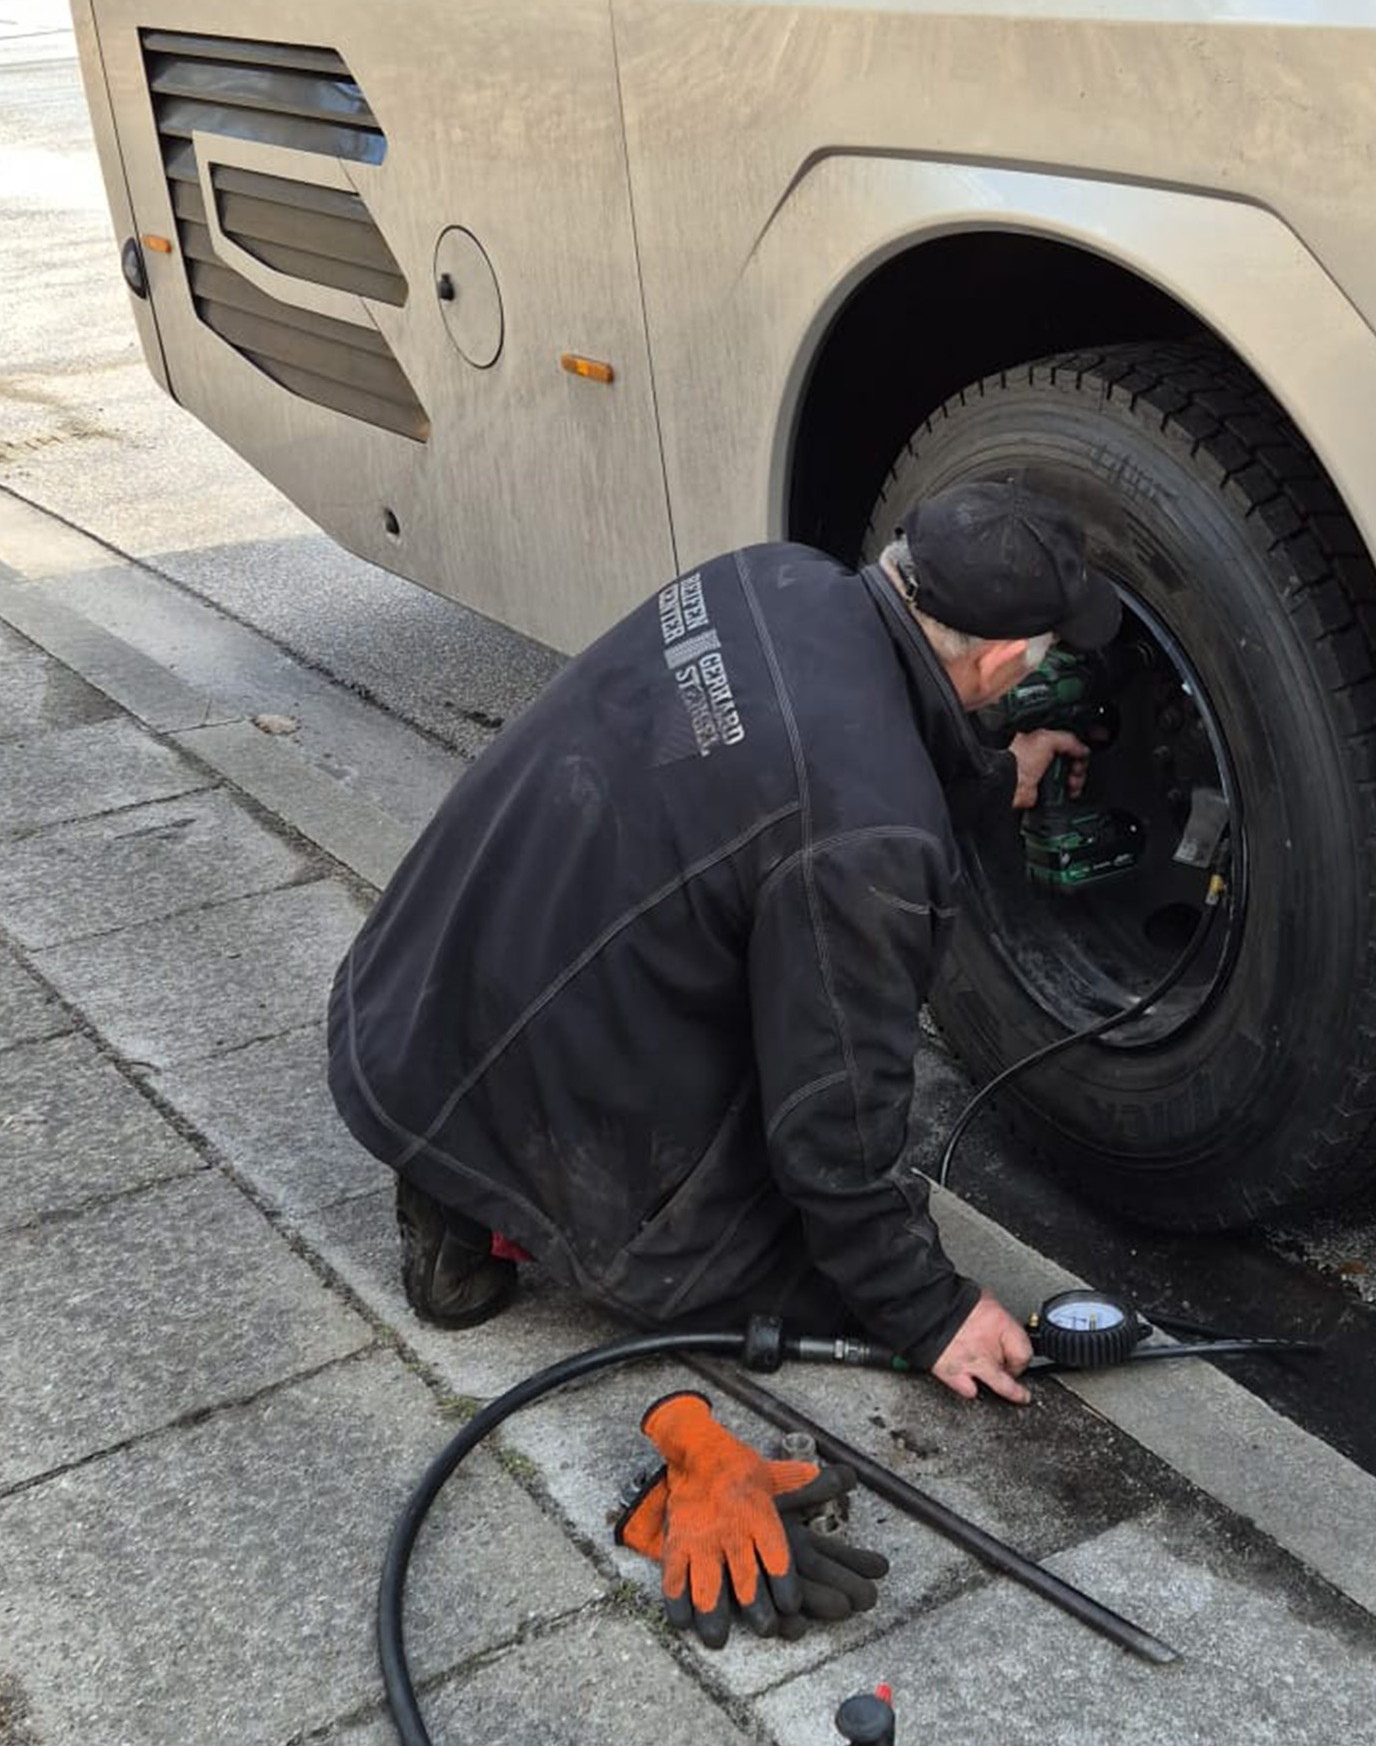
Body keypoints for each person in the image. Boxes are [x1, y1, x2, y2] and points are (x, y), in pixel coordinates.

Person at [325, 481, 1119, 1407]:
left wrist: (988, 776)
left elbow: (804, 766)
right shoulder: (869, 833)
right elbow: (837, 1111)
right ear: (1010, 659)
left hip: (406, 1009)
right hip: (536, 1107)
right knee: (808, 1263)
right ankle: (487, 1203)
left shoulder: (771, 577)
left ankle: (459, 1165)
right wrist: (929, 1310)